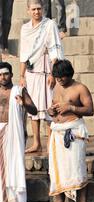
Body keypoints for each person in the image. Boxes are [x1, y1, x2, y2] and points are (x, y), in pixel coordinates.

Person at [42, 60, 94, 202]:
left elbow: (90, 110)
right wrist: (51, 111)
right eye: (57, 78)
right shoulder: (56, 86)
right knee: (56, 170)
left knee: (76, 168)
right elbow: (53, 106)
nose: (59, 81)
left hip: (74, 132)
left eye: (62, 78)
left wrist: (71, 107)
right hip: (57, 131)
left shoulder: (80, 88)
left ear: (69, 75)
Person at [19, 0, 64, 154]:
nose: (36, 12)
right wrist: (21, 75)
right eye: (33, 9)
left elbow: (54, 49)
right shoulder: (25, 29)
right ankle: (36, 143)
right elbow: (23, 53)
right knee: (34, 110)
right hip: (31, 72)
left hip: (46, 72)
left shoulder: (49, 25)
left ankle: (51, 143)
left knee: (49, 109)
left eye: (39, 9)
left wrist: (53, 73)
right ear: (28, 11)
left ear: (43, 9)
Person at [0, 62, 38, 202]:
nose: (3, 77)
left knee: (15, 167)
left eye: (6, 74)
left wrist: (24, 104)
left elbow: (34, 110)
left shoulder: (19, 90)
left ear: (11, 74)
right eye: (0, 74)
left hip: (13, 133)